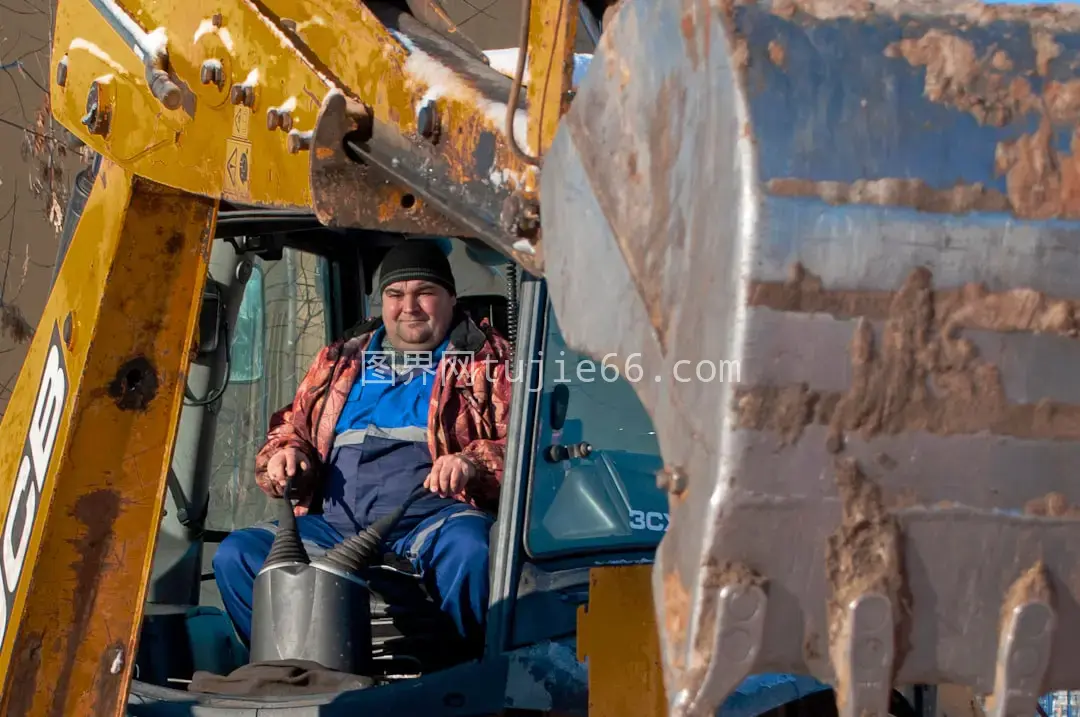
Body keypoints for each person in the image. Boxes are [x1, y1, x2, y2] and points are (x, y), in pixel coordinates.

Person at [213, 239, 513, 649]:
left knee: (473, 549)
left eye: (424, 293)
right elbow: (290, 428)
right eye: (395, 294)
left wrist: (472, 462)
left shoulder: (488, 360)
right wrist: (287, 456)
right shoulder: (340, 360)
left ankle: (465, 676)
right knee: (238, 555)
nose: (409, 306)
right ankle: (281, 671)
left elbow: (527, 448)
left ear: (451, 298)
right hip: (334, 525)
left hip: (432, 523)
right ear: (381, 303)